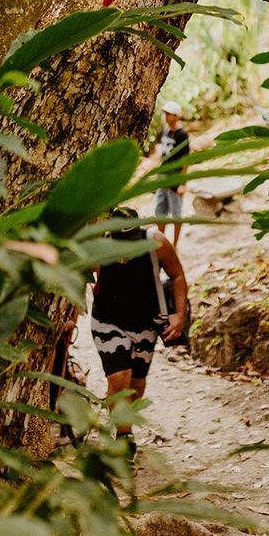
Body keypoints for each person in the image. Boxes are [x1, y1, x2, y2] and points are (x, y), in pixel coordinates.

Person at [90, 208, 187, 441]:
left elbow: (177, 276)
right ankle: (124, 437)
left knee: (136, 383)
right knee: (119, 377)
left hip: (145, 322)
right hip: (107, 321)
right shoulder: (96, 248)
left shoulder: (157, 243)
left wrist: (179, 315)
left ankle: (121, 415)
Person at [154, 99, 190, 246]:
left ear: (176, 116)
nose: (166, 117)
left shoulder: (182, 135)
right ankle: (161, 243)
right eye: (166, 114)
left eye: (169, 114)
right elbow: (160, 151)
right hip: (163, 176)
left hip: (175, 177)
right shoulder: (165, 131)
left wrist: (182, 183)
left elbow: (186, 160)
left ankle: (175, 245)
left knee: (176, 214)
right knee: (160, 211)